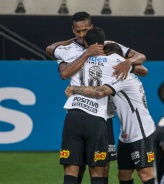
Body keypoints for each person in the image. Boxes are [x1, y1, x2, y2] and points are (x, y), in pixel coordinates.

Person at [45, 11, 146, 184]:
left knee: (102, 164)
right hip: (92, 114)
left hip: (104, 114)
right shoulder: (69, 50)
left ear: (91, 28)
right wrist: (81, 48)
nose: (82, 35)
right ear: (73, 31)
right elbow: (52, 54)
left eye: (85, 31)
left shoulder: (110, 46)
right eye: (78, 32)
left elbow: (141, 61)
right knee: (83, 164)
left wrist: (127, 63)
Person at [64, 28, 155, 184]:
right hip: (126, 133)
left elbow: (101, 91)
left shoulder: (120, 72)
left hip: (140, 130)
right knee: (124, 174)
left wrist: (74, 89)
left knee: (145, 173)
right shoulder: (122, 68)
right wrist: (130, 63)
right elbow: (144, 70)